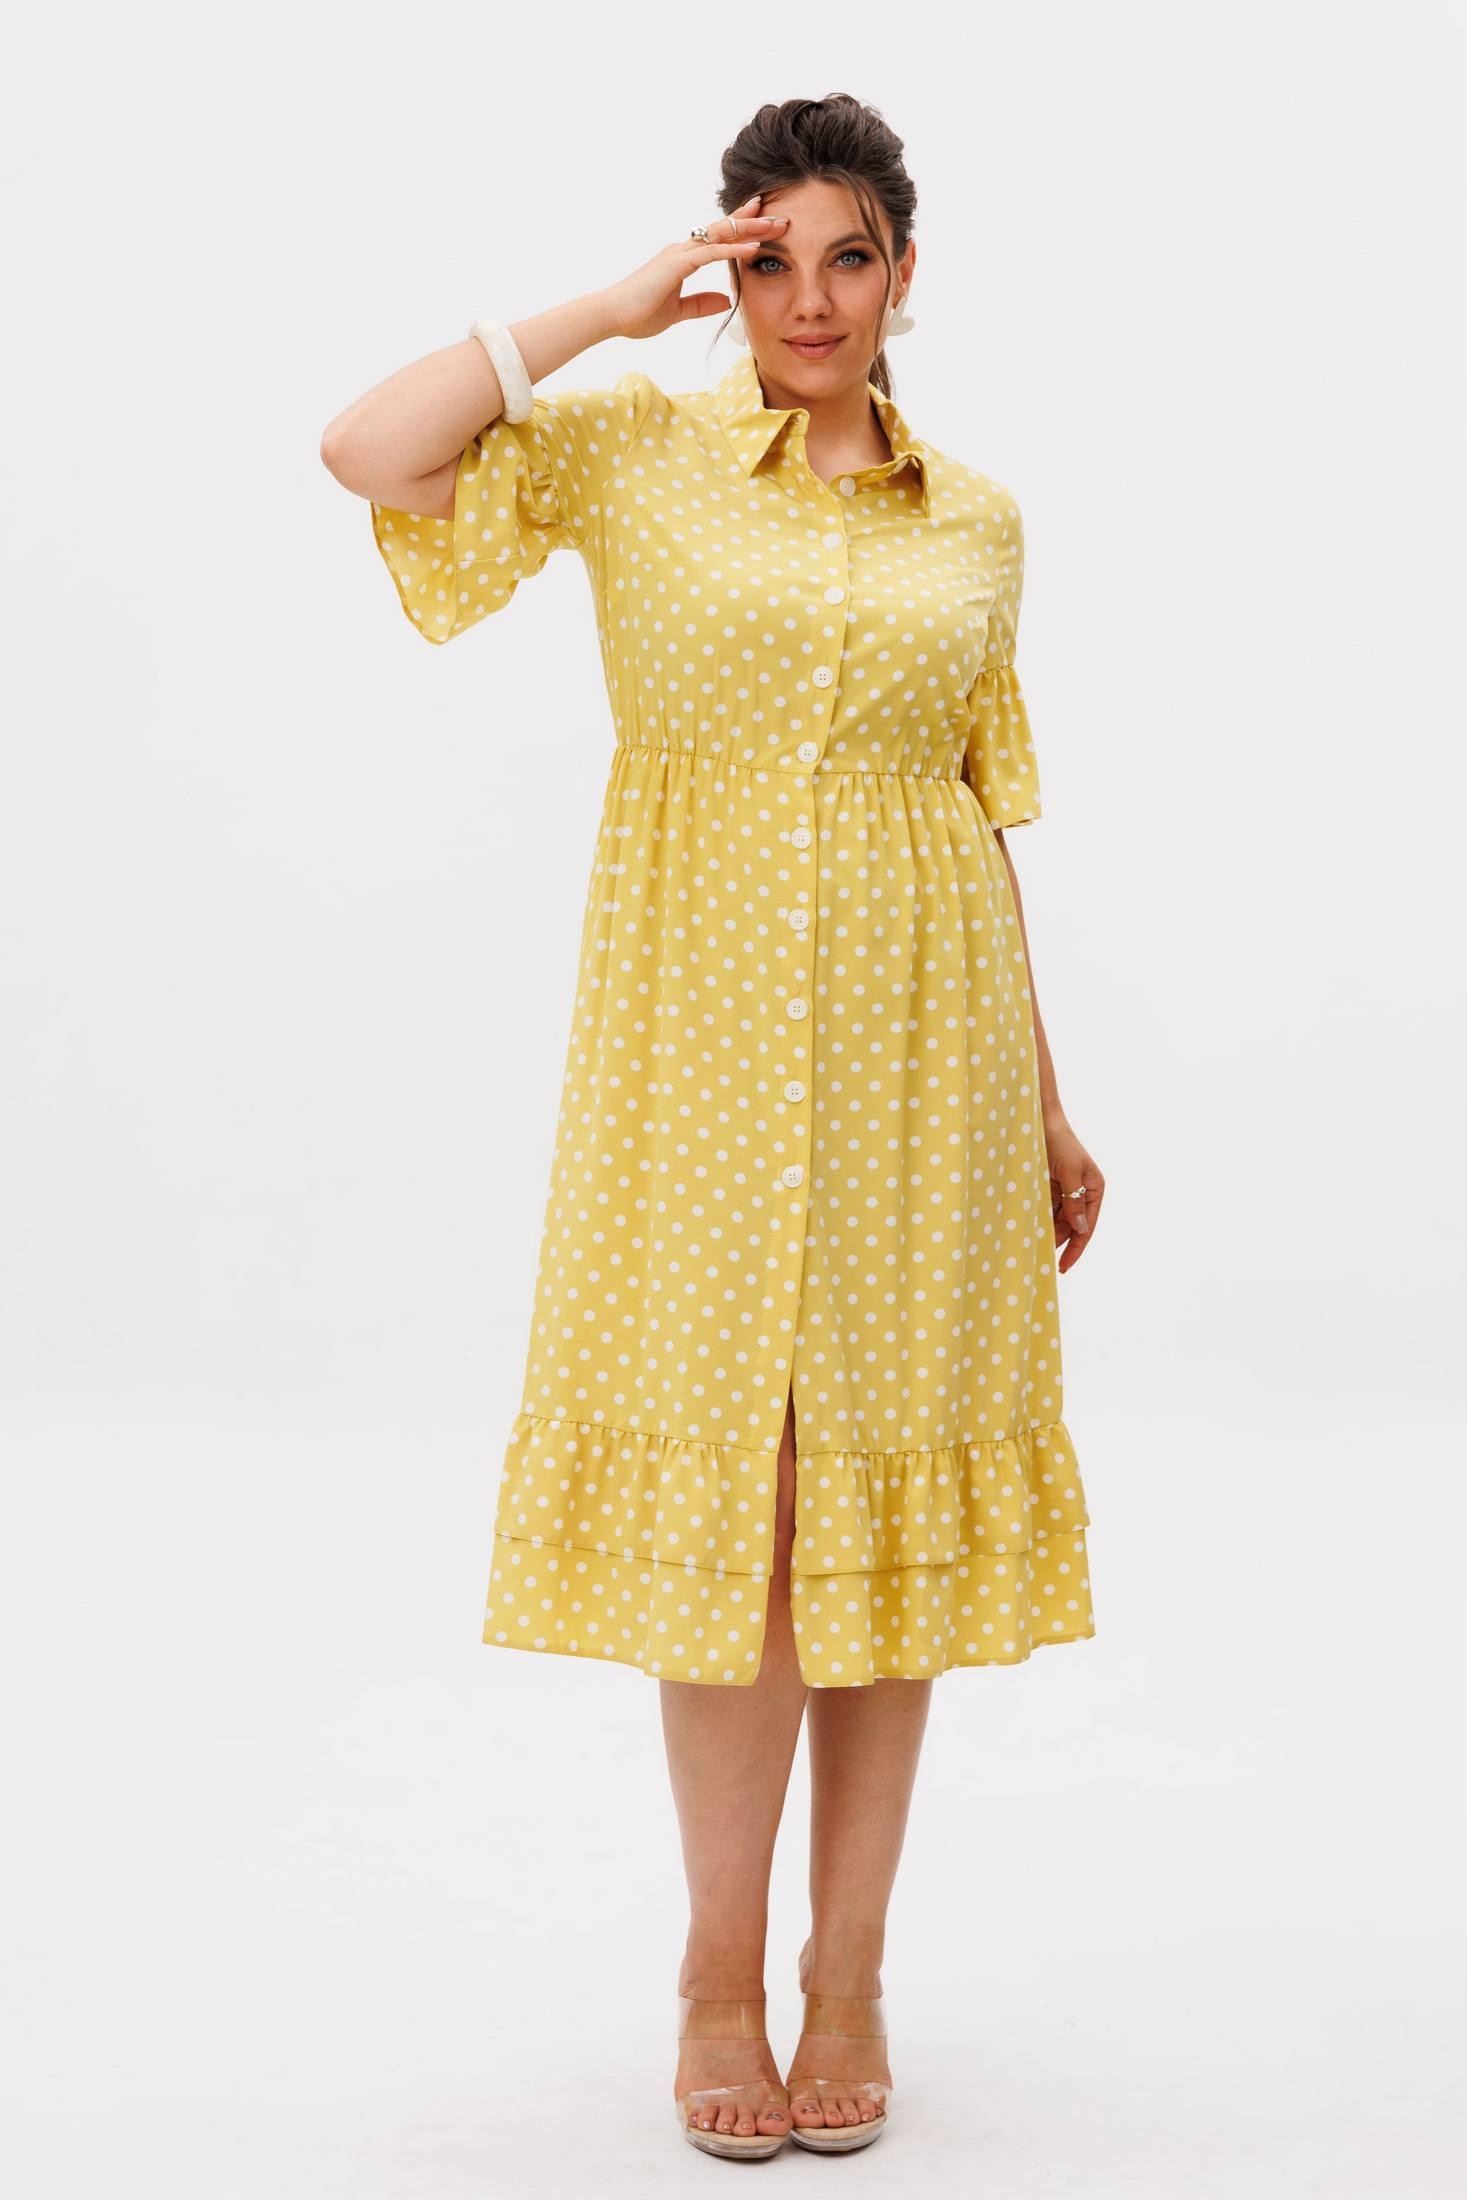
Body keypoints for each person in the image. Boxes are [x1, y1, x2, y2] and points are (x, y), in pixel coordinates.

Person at [321, 92, 1105, 2163]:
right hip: (700, 1066)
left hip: (928, 1073)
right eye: (766, 259)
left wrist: (1044, 1101)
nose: (808, 299)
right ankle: (714, 1975)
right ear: (722, 270)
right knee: (745, 1531)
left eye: (847, 256)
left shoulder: (977, 523)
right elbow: (372, 452)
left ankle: (849, 1975)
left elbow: (980, 813)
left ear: (905, 272)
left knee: (878, 1535)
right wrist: (605, 306)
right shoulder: (634, 454)